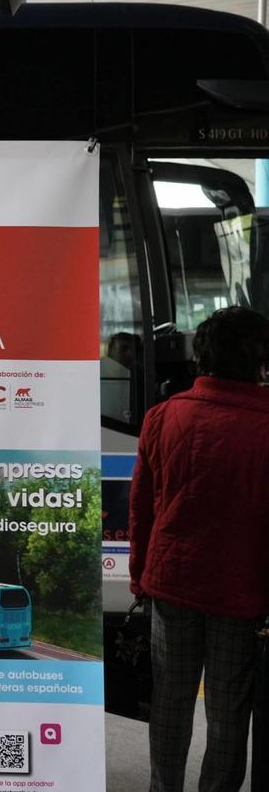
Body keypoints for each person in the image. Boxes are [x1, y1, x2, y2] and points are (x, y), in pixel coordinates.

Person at [129, 305, 269, 792]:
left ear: (201, 356)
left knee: (170, 701)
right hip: (241, 595)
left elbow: (142, 508)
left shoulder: (162, 416)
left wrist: (139, 575)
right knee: (229, 712)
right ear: (259, 360)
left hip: (171, 585)